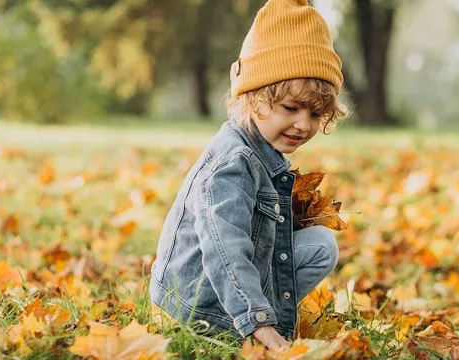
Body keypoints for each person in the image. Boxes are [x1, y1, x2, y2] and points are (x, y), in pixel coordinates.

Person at [149, 0, 348, 350]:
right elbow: (224, 248)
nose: (303, 125)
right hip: (195, 303)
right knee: (306, 251)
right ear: (255, 97)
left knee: (320, 246)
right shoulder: (234, 163)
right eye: (291, 108)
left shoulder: (259, 148)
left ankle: (256, 318)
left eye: (316, 114)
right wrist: (257, 322)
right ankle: (242, 330)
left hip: (216, 286)